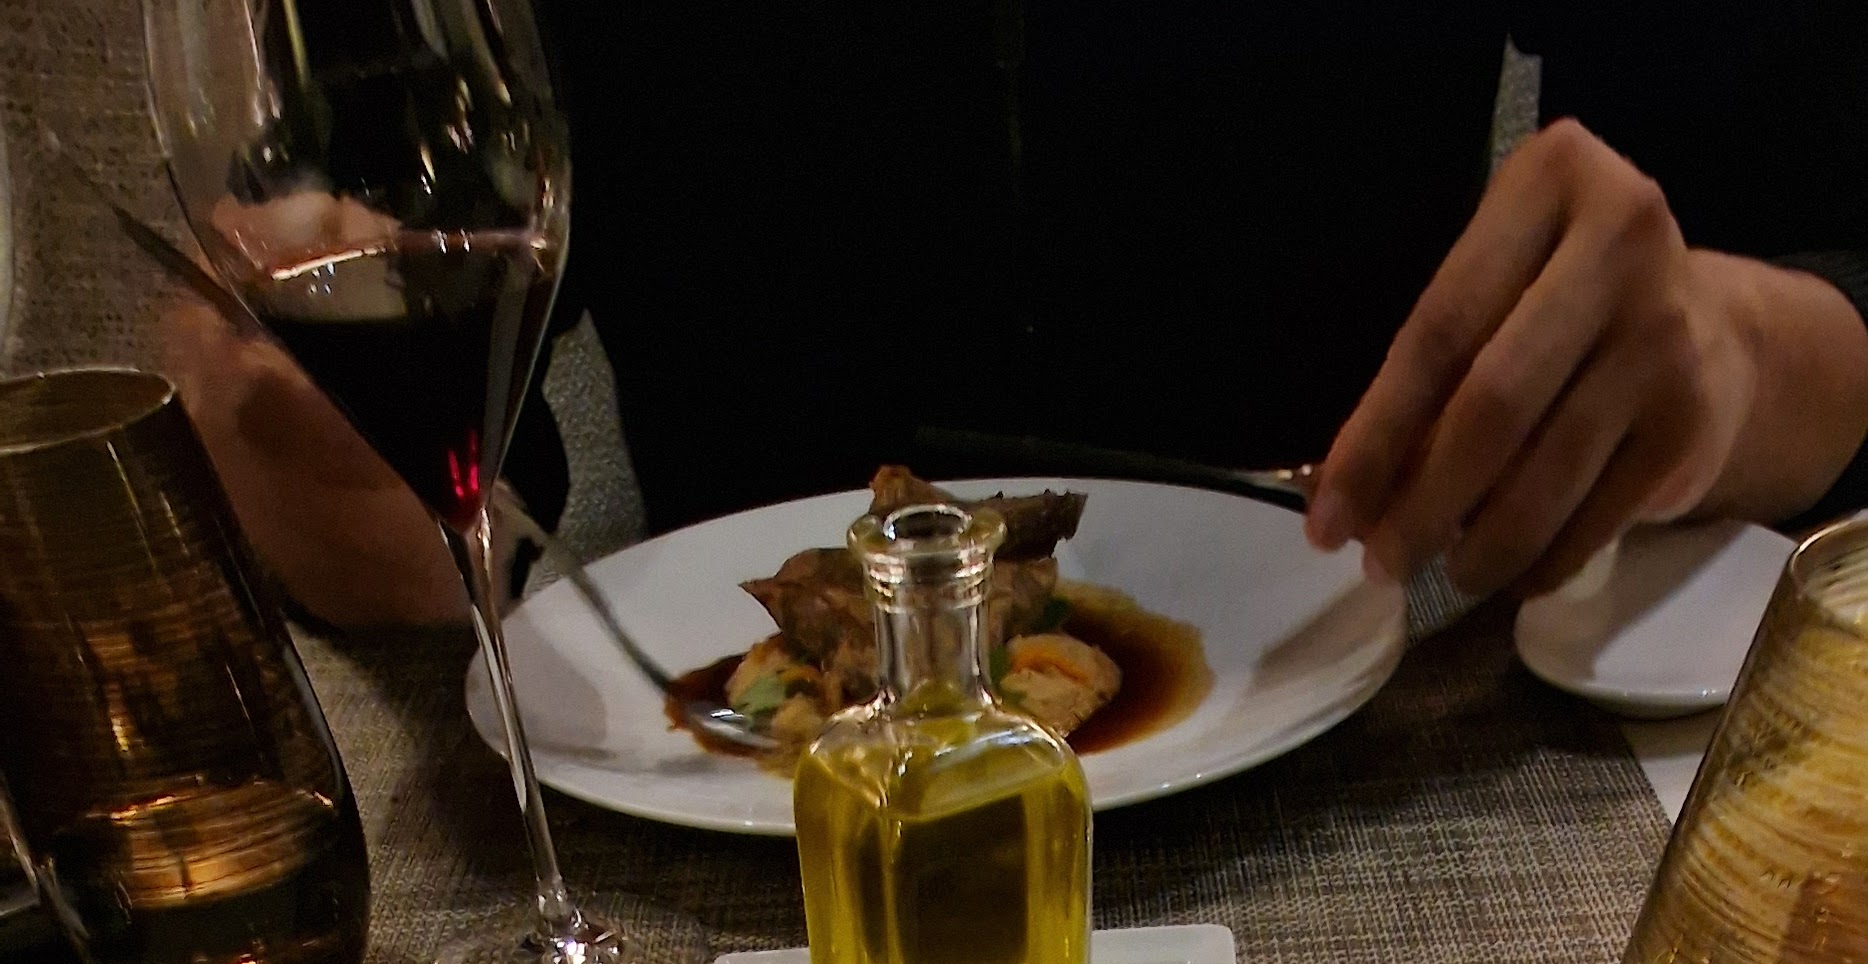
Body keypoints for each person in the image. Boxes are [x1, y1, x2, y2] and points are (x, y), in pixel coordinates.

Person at [161, 8, 1868, 634]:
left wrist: (1734, 352)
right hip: (705, 795)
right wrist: (321, 465)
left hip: (1397, 702)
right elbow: (436, 461)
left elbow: (1820, 246)